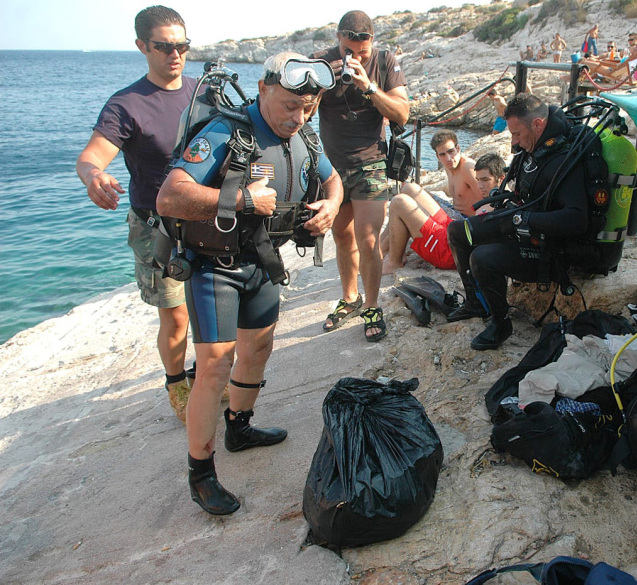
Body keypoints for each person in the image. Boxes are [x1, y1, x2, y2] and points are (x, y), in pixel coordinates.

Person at [156, 52, 343, 515]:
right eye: (288, 107)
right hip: (212, 266)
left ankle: (240, 427)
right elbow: (170, 196)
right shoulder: (227, 133)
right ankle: (201, 473)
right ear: (263, 90)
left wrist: (332, 206)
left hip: (261, 262)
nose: (297, 118)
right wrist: (241, 199)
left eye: (307, 108)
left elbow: (332, 178)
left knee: (258, 348)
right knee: (215, 365)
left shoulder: (304, 136)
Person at [76, 6, 196, 423]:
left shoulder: (203, 94)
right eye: (164, 46)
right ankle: (177, 383)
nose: (175, 55)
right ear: (142, 46)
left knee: (210, 304)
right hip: (157, 226)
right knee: (177, 315)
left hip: (207, 220)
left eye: (182, 45)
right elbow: (91, 156)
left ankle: (208, 374)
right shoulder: (127, 105)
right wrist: (94, 177)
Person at [447, 94, 614, 350]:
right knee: (458, 231)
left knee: (482, 258)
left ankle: (500, 324)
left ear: (537, 124)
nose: (513, 142)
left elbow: (576, 219)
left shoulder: (563, 160)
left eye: (516, 134)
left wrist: (526, 219)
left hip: (549, 248)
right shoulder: (534, 150)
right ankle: (475, 303)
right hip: (522, 226)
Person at [310, 11, 409, 342]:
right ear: (338, 39)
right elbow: (302, 112)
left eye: (362, 51)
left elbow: (402, 113)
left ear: (372, 41)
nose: (355, 57)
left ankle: (371, 305)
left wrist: (368, 87)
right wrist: (322, 85)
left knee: (368, 239)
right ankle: (349, 299)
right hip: (332, 165)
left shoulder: (384, 61)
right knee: (342, 235)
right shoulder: (321, 62)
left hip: (371, 162)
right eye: (349, 49)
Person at [380, 130, 483, 274]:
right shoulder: (450, 166)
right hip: (454, 218)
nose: (448, 158)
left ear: (458, 148)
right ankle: (382, 247)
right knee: (409, 188)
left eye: (451, 151)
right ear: (437, 156)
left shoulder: (468, 168)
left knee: (400, 202)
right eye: (442, 154)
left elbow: (486, 202)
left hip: (464, 226)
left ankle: (387, 254)